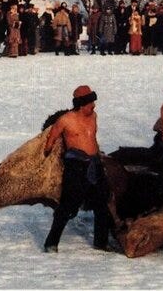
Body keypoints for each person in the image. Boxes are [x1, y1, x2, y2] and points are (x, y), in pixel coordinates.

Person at [42, 85, 112, 253]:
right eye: (90, 103)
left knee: (102, 203)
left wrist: (98, 155)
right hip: (75, 167)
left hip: (94, 165)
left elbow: (92, 139)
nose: (94, 106)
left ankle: (100, 243)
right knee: (67, 206)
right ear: (81, 104)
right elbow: (49, 143)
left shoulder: (94, 116)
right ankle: (51, 243)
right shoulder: (65, 120)